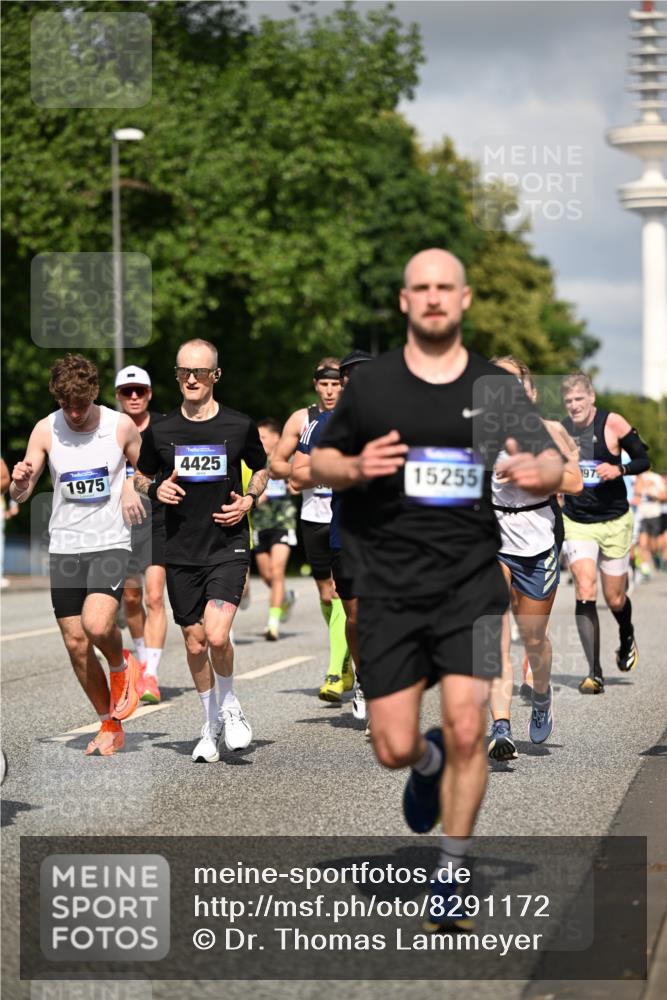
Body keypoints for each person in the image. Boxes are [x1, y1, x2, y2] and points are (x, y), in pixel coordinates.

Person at [311, 248, 566, 932]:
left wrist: (541, 471)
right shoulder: (371, 387)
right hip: (390, 587)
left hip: (469, 587)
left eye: (443, 288)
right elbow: (318, 460)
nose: (431, 298)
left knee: (466, 728)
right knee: (393, 745)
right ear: (403, 301)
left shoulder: (493, 388)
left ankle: (451, 875)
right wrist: (356, 464)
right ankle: (422, 765)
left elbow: (549, 458)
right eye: (419, 287)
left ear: (464, 299)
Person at [133, 339, 269, 762]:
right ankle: (208, 725)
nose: (191, 379)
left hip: (227, 544)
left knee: (216, 634)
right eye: (184, 372)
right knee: (194, 645)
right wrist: (157, 488)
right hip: (180, 548)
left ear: (216, 375)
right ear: (177, 376)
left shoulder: (238, 425)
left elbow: (261, 468)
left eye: (200, 371)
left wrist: (248, 500)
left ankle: (230, 706)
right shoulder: (163, 430)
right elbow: (139, 477)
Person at [9, 354, 145, 756]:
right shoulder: (45, 429)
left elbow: (150, 468)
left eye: (80, 405)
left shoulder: (119, 426)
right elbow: (22, 490)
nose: (73, 413)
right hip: (66, 545)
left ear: (95, 395)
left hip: (110, 541)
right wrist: (19, 483)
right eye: (65, 405)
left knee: (97, 623)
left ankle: (122, 665)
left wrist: (130, 484)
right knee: (75, 643)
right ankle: (109, 723)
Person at [487, 357, 582, 761]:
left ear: (530, 391)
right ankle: (501, 726)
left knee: (533, 638)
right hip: (490, 537)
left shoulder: (549, 431)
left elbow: (574, 481)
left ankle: (541, 696)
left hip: (538, 538)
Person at [290, 351, 372, 711]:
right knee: (354, 615)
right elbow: (297, 474)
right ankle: (364, 682)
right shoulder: (324, 424)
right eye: (349, 378)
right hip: (344, 532)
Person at [560, 373, 650, 693]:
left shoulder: (612, 423)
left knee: (614, 598)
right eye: (568, 401)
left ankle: (626, 635)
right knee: (585, 587)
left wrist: (620, 469)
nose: (574, 406)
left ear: (592, 398)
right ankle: (594, 673)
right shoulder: (562, 430)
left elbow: (643, 459)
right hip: (578, 521)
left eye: (579, 399)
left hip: (614, 520)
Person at [269, 359, 350, 701]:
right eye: (325, 385)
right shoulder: (303, 419)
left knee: (342, 592)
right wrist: (299, 472)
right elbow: (274, 463)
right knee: (325, 594)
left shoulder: (356, 419)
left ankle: (334, 669)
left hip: (346, 517)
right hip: (313, 517)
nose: (330, 391)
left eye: (336, 385)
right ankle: (345, 656)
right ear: (316, 384)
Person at [114, 365, 167, 703]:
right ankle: (142, 658)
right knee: (131, 599)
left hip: (159, 521)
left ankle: (150, 674)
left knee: (155, 598)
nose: (134, 397)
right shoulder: (107, 428)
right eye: (127, 392)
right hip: (121, 525)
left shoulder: (165, 427)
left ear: (149, 394)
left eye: (140, 391)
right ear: (118, 396)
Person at [252, 418, 297, 640]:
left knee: (278, 572)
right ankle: (286, 597)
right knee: (267, 575)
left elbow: (302, 479)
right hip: (260, 522)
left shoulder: (287, 459)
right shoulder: (254, 460)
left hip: (283, 520)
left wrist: (295, 484)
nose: (259, 441)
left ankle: (273, 624)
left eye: (263, 437)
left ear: (277, 438)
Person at [632, 469, 666, 581]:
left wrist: (654, 494)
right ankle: (645, 568)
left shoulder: (656, 478)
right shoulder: (636, 477)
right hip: (641, 514)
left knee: (654, 545)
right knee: (642, 544)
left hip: (655, 513)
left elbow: (664, 495)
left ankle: (656, 555)